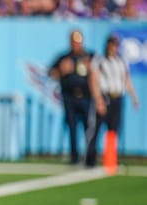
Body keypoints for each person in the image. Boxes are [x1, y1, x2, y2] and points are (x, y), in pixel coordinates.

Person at [88, 34, 140, 167]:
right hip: (105, 97)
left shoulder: (121, 61)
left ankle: (110, 160)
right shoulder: (100, 60)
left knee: (113, 130)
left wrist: (134, 96)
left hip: (118, 98)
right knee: (96, 129)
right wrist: (98, 100)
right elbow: (94, 80)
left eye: (116, 45)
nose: (114, 48)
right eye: (112, 45)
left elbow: (126, 79)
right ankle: (90, 159)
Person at [48, 29, 94, 165]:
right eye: (73, 42)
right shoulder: (64, 58)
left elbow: (99, 72)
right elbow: (51, 72)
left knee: (89, 128)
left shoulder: (88, 56)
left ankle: (89, 156)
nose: (76, 45)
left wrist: (91, 68)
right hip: (70, 97)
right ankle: (74, 156)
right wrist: (61, 71)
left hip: (85, 96)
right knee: (72, 127)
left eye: (78, 42)